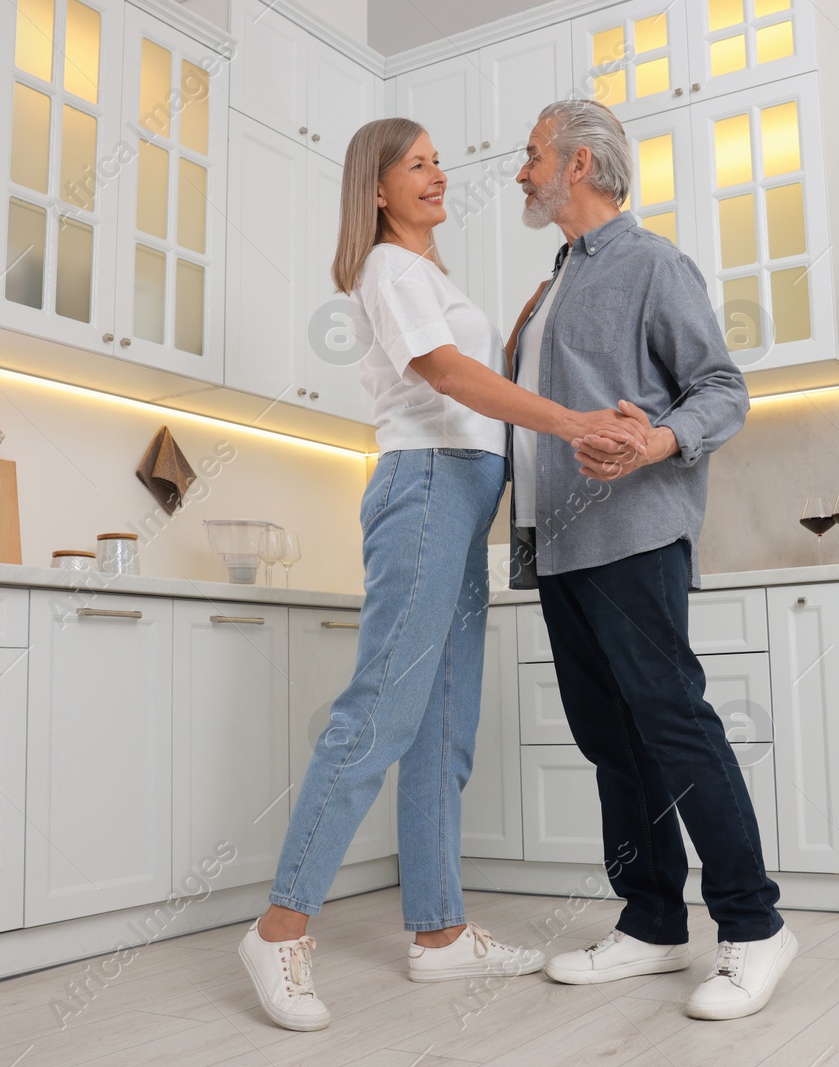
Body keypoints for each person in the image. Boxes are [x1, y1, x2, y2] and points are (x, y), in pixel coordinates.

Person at [239, 116, 651, 1032]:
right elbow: (444, 374)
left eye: (437, 162)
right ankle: (279, 925)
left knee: (442, 727)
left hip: (462, 498)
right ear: (376, 188)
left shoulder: (427, 276)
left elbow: (467, 372)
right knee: (380, 711)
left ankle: (440, 933)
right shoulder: (387, 267)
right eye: (416, 165)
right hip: (426, 490)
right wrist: (576, 422)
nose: (438, 175)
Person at [507, 99, 795, 1022]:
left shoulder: (651, 263)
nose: (522, 171)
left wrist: (659, 442)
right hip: (559, 545)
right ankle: (653, 921)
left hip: (632, 536)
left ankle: (753, 926)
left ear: (581, 164)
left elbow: (722, 387)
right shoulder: (554, 279)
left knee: (673, 727)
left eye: (533, 155)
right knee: (611, 740)